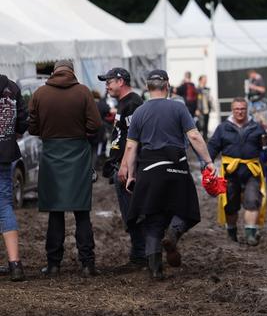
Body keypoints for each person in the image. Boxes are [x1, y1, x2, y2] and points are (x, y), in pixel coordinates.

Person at [118, 69, 216, 280]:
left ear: (147, 88)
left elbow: (130, 148)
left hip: (149, 169)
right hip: (176, 166)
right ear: (167, 86)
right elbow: (195, 137)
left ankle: (155, 269)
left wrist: (130, 173)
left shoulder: (140, 113)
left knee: (153, 219)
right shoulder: (178, 108)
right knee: (187, 210)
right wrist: (208, 162)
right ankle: (174, 232)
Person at [28, 60, 102, 277]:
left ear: (53, 72)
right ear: (72, 72)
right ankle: (87, 264)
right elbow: (96, 125)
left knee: (55, 212)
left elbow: (32, 126)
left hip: (52, 154)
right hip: (78, 153)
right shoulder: (83, 92)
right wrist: (80, 131)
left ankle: (53, 264)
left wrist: (47, 131)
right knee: (82, 212)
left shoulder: (40, 93)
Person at [208, 97, 267, 245]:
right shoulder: (223, 128)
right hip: (230, 172)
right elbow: (212, 147)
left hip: (252, 170)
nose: (240, 112)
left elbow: (266, 146)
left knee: (253, 200)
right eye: (237, 109)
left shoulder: (257, 127)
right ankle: (232, 232)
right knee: (230, 204)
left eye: (242, 109)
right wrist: (207, 163)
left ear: (247, 109)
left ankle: (250, 233)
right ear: (232, 110)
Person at [98, 67, 145, 266]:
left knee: (134, 213)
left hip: (129, 166)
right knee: (130, 212)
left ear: (120, 81)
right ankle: (139, 253)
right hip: (121, 164)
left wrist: (126, 166)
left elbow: (135, 139)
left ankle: (141, 254)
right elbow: (121, 136)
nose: (106, 86)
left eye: (109, 81)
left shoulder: (133, 103)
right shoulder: (124, 102)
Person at [0, 74, 28, 281]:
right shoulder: (11, 87)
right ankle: (15, 263)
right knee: (4, 204)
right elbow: (23, 120)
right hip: (5, 152)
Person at [197, 75, 213, 141]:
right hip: (200, 110)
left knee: (206, 126)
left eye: (206, 79)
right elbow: (197, 100)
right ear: (200, 80)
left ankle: (205, 141)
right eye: (204, 79)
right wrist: (197, 109)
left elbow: (209, 99)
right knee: (200, 125)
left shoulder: (207, 89)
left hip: (206, 110)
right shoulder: (197, 89)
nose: (206, 80)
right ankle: (198, 140)